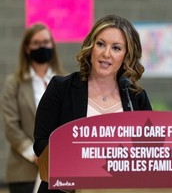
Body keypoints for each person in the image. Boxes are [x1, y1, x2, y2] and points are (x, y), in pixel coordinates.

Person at [33, 15, 153, 192]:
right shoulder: (61, 88)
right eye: (101, 44)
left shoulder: (136, 97)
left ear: (126, 56)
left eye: (116, 48)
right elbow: (41, 142)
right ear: (91, 47)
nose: (106, 54)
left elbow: (150, 150)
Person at [1, 23, 65, 193]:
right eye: (36, 43)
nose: (42, 47)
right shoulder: (13, 83)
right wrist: (38, 155)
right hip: (24, 170)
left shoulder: (64, 82)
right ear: (27, 49)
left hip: (60, 168)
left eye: (46, 42)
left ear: (52, 45)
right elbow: (11, 127)